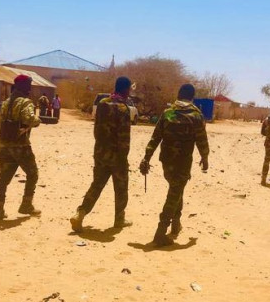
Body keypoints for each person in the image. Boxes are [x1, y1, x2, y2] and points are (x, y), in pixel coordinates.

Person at [139, 84, 210, 246]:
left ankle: (176, 225)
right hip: (183, 163)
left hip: (166, 161)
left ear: (179, 95)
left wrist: (147, 157)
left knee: (176, 190)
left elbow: (155, 137)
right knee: (174, 194)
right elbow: (202, 140)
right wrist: (205, 158)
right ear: (192, 97)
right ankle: (160, 232)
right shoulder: (196, 115)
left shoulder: (168, 113)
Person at [70, 77, 133, 232]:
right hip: (117, 156)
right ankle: (119, 219)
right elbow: (124, 137)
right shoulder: (124, 108)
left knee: (97, 185)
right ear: (126, 89)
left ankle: (80, 213)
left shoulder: (102, 104)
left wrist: (100, 148)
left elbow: (96, 129)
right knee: (121, 188)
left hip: (100, 152)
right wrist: (123, 157)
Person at [0, 75, 42, 220]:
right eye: (29, 85)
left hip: (4, 145)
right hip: (21, 146)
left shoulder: (6, 102)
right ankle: (26, 205)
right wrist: (37, 121)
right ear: (26, 87)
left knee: (4, 177)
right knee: (33, 174)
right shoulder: (26, 102)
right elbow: (29, 118)